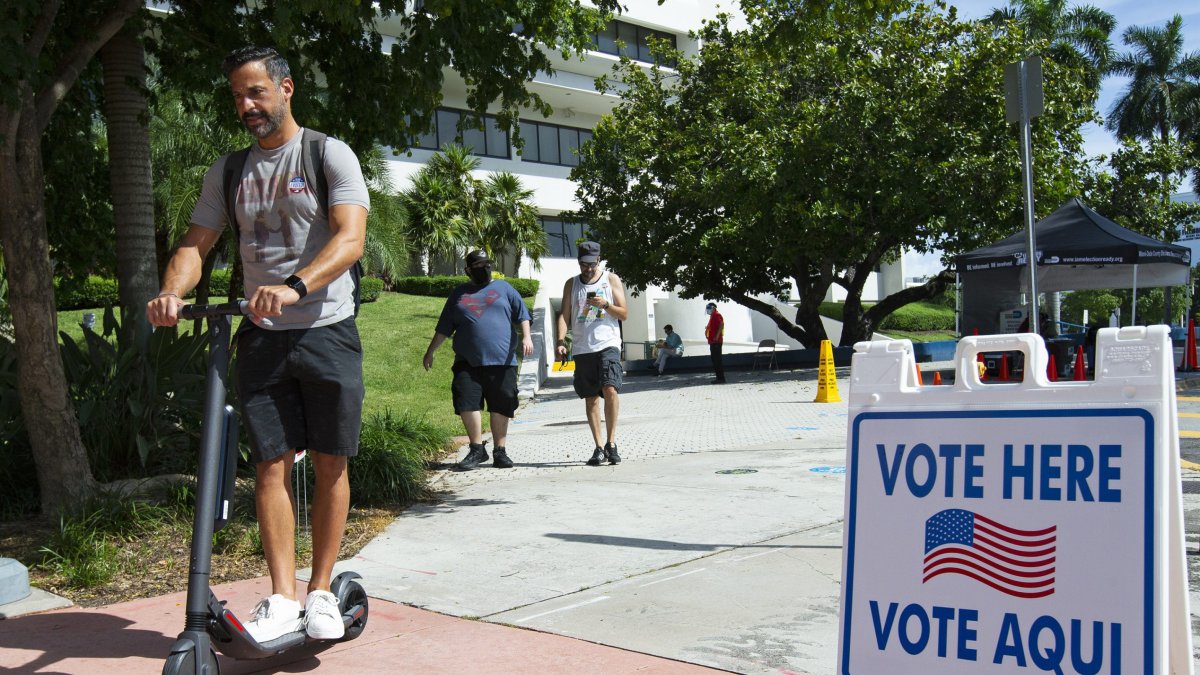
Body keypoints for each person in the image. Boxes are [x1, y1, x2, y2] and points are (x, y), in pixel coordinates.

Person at [146, 46, 369, 643]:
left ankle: (321, 590)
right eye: (238, 97)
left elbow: (350, 240)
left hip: (327, 330)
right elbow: (196, 244)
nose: (246, 106)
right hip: (263, 338)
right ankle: (282, 595)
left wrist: (296, 286)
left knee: (329, 461)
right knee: (270, 464)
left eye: (256, 93)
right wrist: (171, 291)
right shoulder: (229, 170)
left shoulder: (328, 154)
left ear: (286, 88)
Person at [423, 250, 533, 471]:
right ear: (468, 271)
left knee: (501, 405)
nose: (485, 269)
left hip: (502, 361)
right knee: (466, 401)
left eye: (487, 264)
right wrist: (430, 351)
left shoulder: (504, 288)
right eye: (479, 266)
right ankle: (476, 449)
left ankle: (500, 452)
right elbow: (445, 326)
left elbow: (522, 314)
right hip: (468, 361)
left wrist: (527, 337)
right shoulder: (459, 294)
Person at [555, 241, 628, 466]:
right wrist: (560, 341)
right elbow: (564, 315)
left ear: (599, 260)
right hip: (582, 347)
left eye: (592, 264)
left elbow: (624, 314)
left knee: (610, 389)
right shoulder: (571, 284)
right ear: (579, 262)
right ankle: (598, 447)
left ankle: (611, 443)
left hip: (608, 344)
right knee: (591, 398)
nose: (588, 269)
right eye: (583, 264)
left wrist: (605, 304)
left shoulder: (611, 280)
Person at [705, 302, 726, 383]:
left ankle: (721, 378)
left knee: (717, 360)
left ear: (713, 308)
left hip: (716, 342)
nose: (707, 310)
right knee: (715, 360)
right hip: (712, 342)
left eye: (709, 308)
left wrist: (717, 336)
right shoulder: (712, 316)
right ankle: (719, 378)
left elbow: (721, 324)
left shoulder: (716, 315)